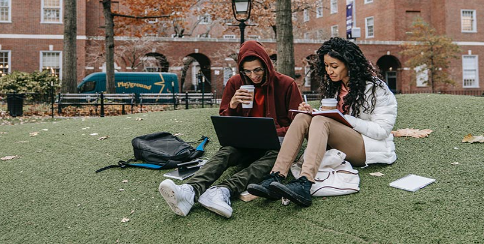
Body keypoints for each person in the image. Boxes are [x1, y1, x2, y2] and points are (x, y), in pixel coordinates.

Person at [158, 40, 302, 218]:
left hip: (275, 144)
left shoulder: (286, 84)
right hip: (244, 142)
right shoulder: (235, 83)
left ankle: (223, 190)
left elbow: (298, 125)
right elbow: (225, 121)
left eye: (258, 69)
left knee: (276, 157)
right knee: (226, 152)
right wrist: (233, 105)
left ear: (267, 64)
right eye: (247, 71)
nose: (254, 76)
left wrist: (274, 132)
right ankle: (189, 190)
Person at [247, 37, 397, 207]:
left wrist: (343, 119)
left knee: (321, 121)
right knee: (303, 117)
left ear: (349, 64)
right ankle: (276, 176)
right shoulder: (335, 86)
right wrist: (312, 112)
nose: (329, 71)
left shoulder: (376, 88)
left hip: (366, 146)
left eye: (334, 66)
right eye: (326, 66)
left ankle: (305, 182)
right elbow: (330, 120)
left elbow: (382, 130)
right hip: (338, 142)